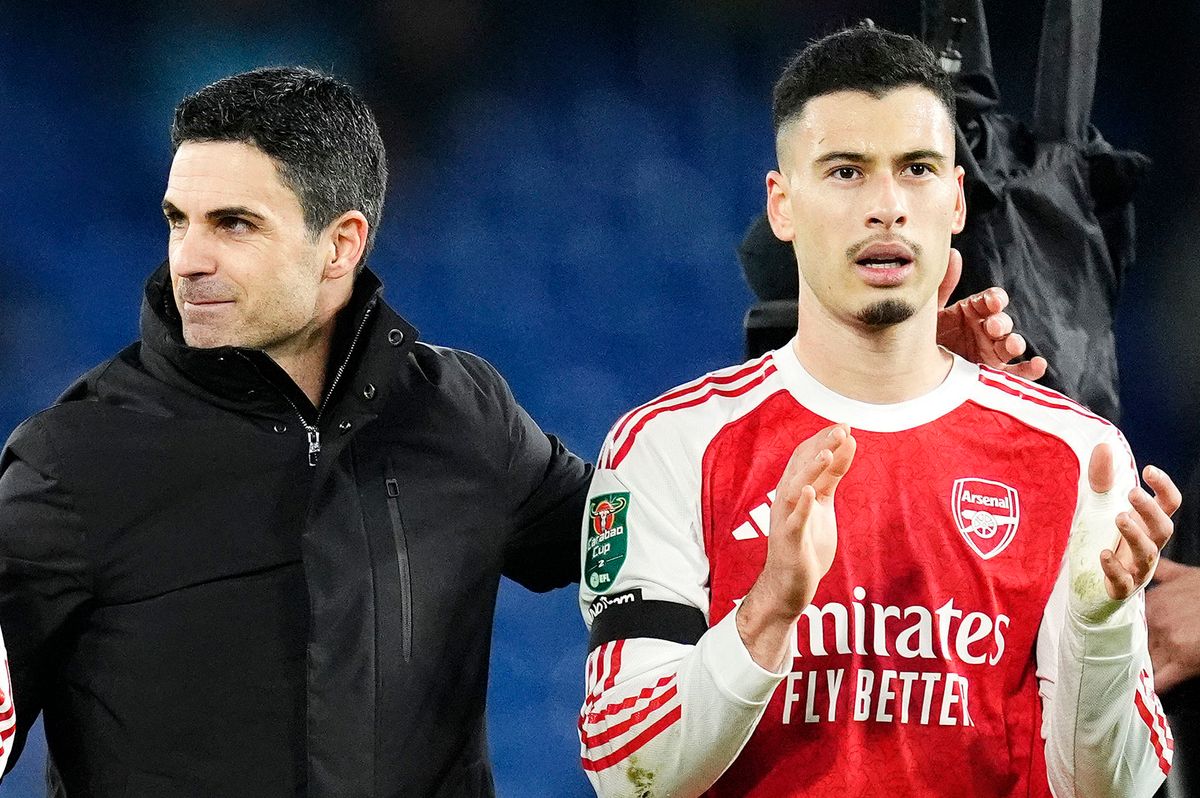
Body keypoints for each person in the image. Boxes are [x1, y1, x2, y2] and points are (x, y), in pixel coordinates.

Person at [0, 65, 1041, 796]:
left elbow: (672, 534)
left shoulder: (458, 414)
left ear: (339, 246)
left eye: (233, 225)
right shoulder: (74, 462)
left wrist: (890, 379)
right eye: (179, 219)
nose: (188, 257)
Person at [577, 25, 1180, 798]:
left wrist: (1099, 629)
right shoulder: (668, 447)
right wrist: (770, 608)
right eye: (846, 173)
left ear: (957, 200)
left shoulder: (1073, 455)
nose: (887, 207)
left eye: (917, 170)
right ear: (784, 204)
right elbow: (628, 772)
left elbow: (1111, 789)